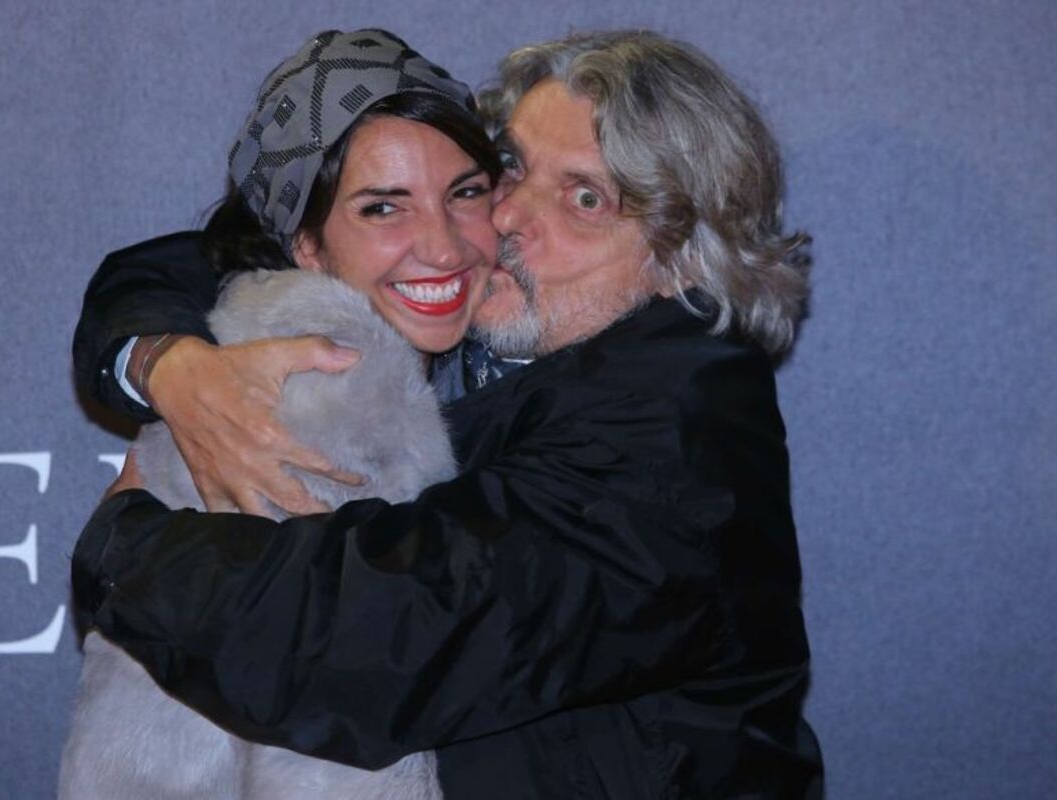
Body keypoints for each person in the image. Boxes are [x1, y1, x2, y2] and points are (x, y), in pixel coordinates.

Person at [73, 30, 824, 797]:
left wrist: (124, 549)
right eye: (511, 169)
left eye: (585, 199)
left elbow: (371, 642)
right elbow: (188, 259)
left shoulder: (678, 430)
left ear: (684, 263)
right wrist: (163, 361)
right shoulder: (502, 341)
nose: (506, 217)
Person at [60, 29, 499, 799]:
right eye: (383, 207)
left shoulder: (526, 320)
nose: (442, 246)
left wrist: (159, 360)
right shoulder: (313, 388)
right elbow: (313, 736)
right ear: (305, 245)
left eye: (465, 193)